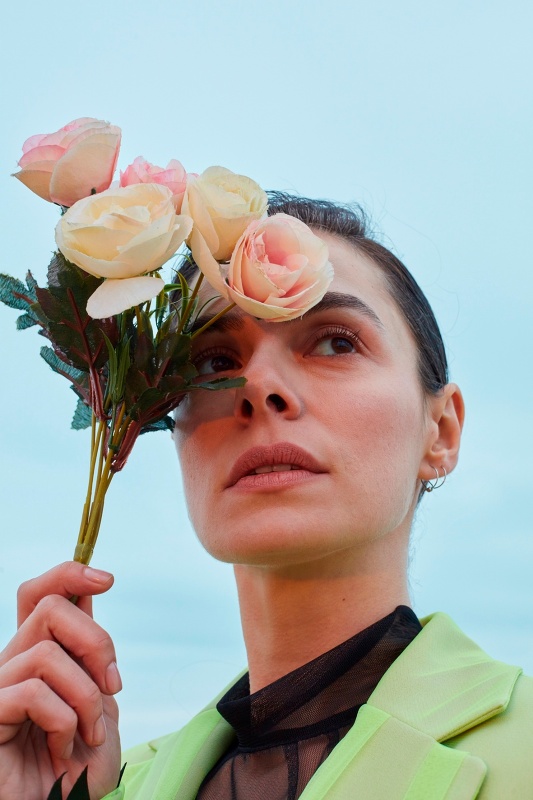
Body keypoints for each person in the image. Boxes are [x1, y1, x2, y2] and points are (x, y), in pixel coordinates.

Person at [0, 193, 531, 800]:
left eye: (336, 343)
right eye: (212, 360)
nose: (257, 385)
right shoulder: (104, 785)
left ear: (441, 430)